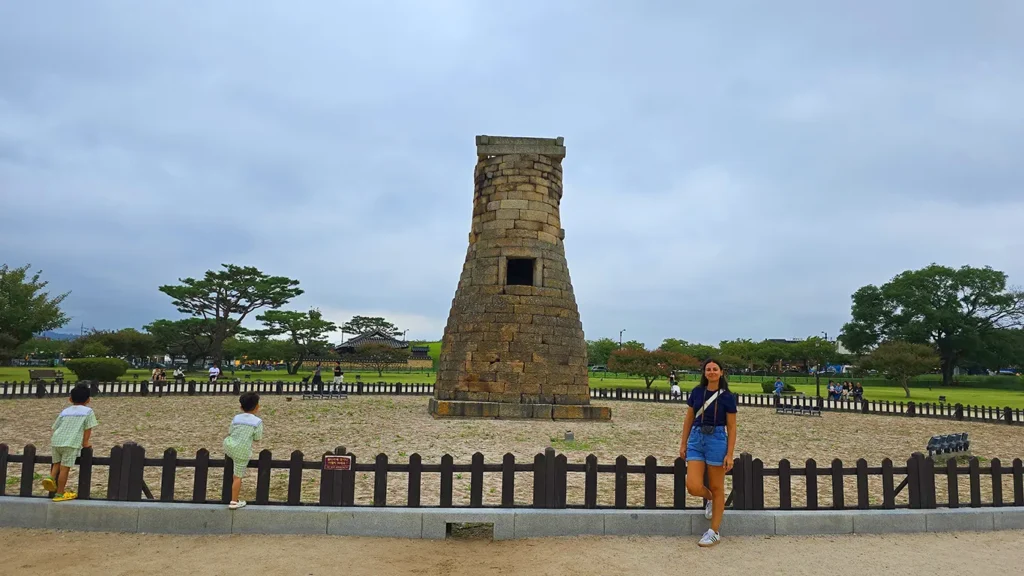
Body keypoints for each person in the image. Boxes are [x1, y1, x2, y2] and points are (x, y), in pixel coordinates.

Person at [680, 358, 737, 548]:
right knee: (693, 486)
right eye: (708, 369)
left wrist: (730, 453)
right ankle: (711, 499)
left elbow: (732, 426)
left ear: (721, 372)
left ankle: (714, 531)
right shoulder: (697, 392)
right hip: (696, 438)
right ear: (704, 373)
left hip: (717, 439)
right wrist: (683, 443)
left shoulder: (728, 396)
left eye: (715, 369)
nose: (711, 372)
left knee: (717, 486)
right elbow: (688, 419)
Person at [41, 384, 98, 502]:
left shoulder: (65, 411)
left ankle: (51, 477)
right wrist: (85, 443)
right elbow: (88, 428)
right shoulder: (88, 411)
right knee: (64, 469)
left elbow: (56, 426)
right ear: (88, 400)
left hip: (57, 440)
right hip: (71, 443)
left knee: (56, 464)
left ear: (70, 399)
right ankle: (60, 493)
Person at [222, 392, 263, 510]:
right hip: (242, 451)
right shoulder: (257, 422)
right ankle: (234, 501)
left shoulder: (236, 418)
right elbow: (257, 438)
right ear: (257, 407)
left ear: (241, 407)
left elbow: (230, 431)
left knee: (233, 464)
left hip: (229, 446)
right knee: (237, 477)